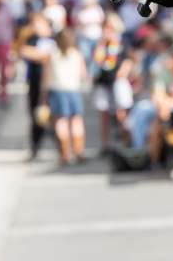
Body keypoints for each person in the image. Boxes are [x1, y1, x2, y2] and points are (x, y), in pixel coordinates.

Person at [42, 29, 86, 165]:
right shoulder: (76, 54)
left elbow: (46, 77)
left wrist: (43, 94)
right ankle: (78, 152)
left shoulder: (52, 55)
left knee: (61, 122)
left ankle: (64, 154)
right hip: (73, 89)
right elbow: (83, 74)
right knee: (76, 121)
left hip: (57, 90)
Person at [92, 14, 134, 154]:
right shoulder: (101, 44)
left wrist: (121, 73)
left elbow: (128, 59)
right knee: (103, 113)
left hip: (117, 81)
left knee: (120, 112)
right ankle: (105, 145)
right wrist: (102, 43)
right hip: (103, 81)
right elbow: (95, 61)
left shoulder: (121, 42)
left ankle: (125, 141)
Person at [18, 13, 56, 160]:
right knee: (35, 116)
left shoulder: (55, 38)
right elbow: (25, 51)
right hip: (34, 82)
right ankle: (35, 145)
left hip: (53, 83)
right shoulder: (31, 39)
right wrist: (42, 55)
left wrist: (41, 55)